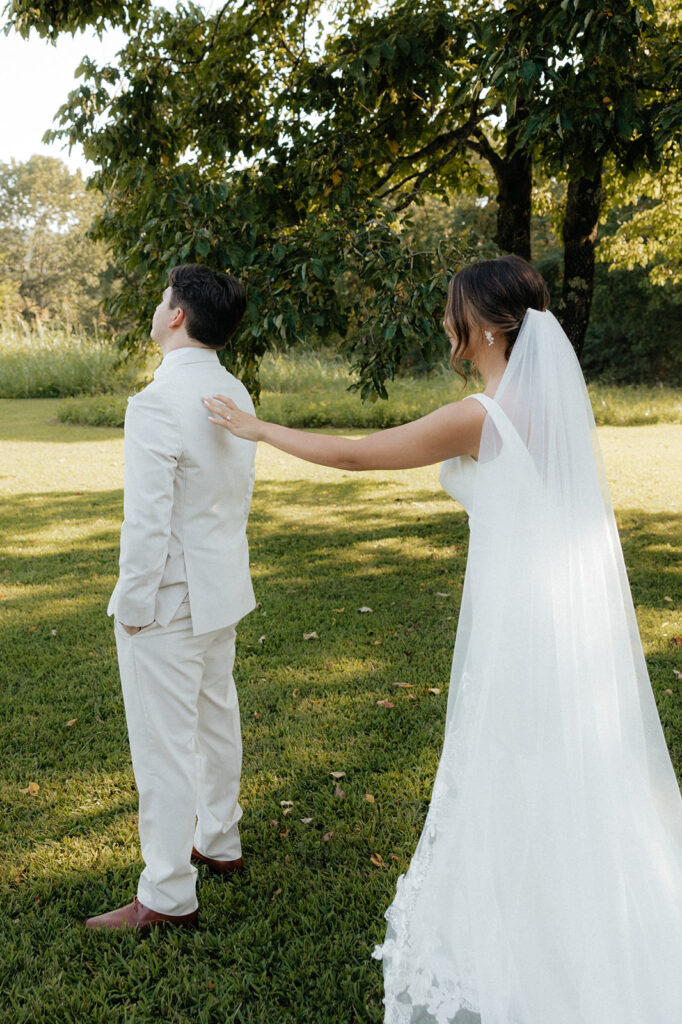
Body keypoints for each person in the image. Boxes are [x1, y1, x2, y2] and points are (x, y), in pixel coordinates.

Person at [202, 255, 682, 1023]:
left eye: (453, 310)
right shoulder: (553, 411)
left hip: (515, 618)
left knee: (507, 764)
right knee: (561, 766)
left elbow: (361, 454)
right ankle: (568, 927)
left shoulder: (479, 417)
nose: (445, 322)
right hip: (556, 612)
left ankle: (524, 947)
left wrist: (258, 428)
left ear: (485, 326)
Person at [86, 264, 257, 931]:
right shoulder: (233, 387)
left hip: (171, 599)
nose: (158, 309)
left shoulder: (157, 402)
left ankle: (166, 894)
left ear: (178, 316)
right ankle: (220, 840)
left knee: (162, 745)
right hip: (221, 588)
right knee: (215, 718)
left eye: (163, 301)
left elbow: (147, 522)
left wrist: (132, 606)